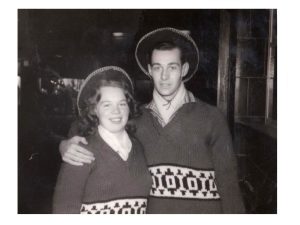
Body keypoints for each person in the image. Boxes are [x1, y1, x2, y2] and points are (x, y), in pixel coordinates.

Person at [59, 27, 245, 213]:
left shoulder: (212, 117)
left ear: (184, 69)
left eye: (172, 67)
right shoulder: (135, 117)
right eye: (157, 67)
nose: (164, 76)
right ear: (149, 70)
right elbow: (91, 124)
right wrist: (66, 144)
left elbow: (230, 187)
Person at [53, 66, 152, 214]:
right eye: (107, 105)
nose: (116, 111)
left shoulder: (138, 147)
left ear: (129, 108)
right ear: (94, 110)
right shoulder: (81, 151)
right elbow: (64, 210)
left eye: (122, 104)